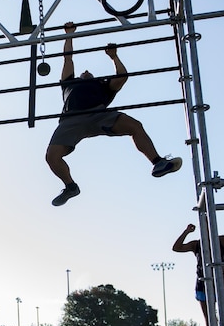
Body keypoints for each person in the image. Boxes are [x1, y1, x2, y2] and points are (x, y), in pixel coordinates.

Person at [45, 22, 182, 206]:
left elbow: (122, 77)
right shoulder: (69, 84)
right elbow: (67, 59)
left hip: (99, 115)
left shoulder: (103, 85)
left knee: (135, 126)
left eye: (89, 72)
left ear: (93, 76)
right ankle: (70, 187)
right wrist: (69, 34)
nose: (86, 72)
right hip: (71, 120)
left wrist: (114, 57)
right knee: (51, 156)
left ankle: (158, 162)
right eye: (84, 72)